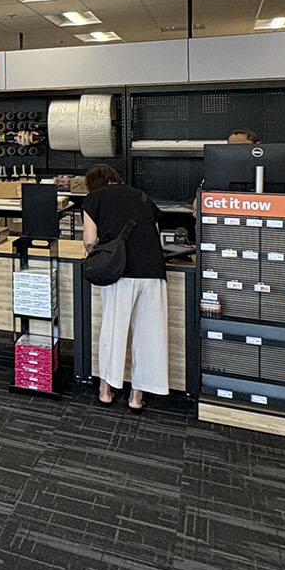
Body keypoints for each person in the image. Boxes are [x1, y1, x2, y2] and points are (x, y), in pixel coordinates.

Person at [81, 163, 169, 411]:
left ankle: (106, 390)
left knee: (113, 331)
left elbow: (90, 241)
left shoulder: (93, 199)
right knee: (149, 335)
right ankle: (136, 396)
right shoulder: (141, 196)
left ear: (92, 184)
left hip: (120, 272)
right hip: (153, 271)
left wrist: (95, 253)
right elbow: (155, 234)